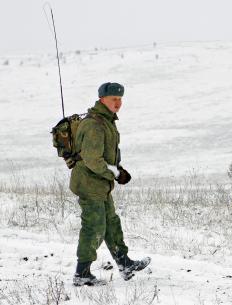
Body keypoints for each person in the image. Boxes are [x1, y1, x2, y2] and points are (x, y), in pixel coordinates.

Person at [69, 82, 151, 286]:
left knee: (111, 224)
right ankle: (82, 274)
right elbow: (92, 159)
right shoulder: (95, 124)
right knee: (94, 226)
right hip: (89, 183)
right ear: (102, 99)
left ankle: (124, 263)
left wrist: (119, 170)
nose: (118, 103)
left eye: (120, 99)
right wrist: (114, 174)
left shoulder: (106, 121)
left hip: (100, 183)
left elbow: (107, 154)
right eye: (114, 99)